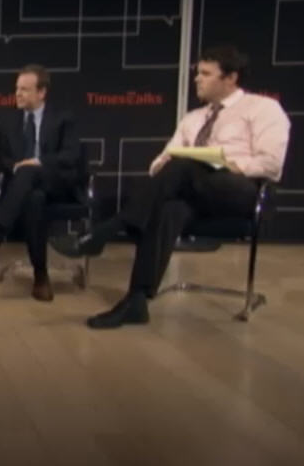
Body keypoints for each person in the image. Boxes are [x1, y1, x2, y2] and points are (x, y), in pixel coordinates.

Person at [51, 45, 291, 328]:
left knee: (184, 165)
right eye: (197, 73)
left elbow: (271, 164)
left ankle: (106, 231)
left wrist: (227, 164)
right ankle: (136, 301)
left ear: (231, 78)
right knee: (169, 208)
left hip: (244, 192)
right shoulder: (193, 118)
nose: (197, 79)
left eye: (206, 74)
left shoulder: (262, 108)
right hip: (194, 194)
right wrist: (171, 165)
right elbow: (160, 162)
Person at [0, 64, 81, 301]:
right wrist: (18, 167)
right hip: (24, 190)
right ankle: (41, 276)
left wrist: (37, 162)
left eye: (24, 89)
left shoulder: (63, 119)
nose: (17, 94)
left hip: (57, 184)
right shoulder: (9, 122)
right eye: (17, 89)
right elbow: (3, 159)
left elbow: (71, 156)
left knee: (30, 172)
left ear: (41, 92)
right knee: (34, 199)